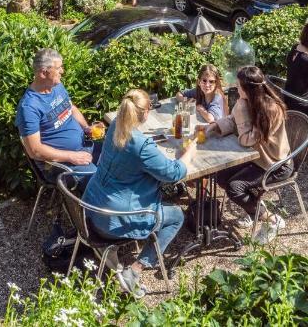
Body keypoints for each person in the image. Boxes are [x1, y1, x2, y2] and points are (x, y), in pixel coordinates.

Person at [83, 88, 196, 299]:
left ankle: (112, 254)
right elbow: (173, 173)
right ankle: (135, 270)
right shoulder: (141, 145)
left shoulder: (116, 124)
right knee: (177, 216)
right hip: (114, 221)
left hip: (92, 207)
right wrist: (189, 153)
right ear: (145, 113)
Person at [203, 65, 291, 244]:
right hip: (257, 158)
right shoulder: (248, 101)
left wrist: (241, 109)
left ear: (248, 88)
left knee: (235, 187)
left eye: (239, 85)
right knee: (221, 175)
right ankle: (254, 209)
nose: (236, 88)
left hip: (275, 164)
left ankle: (272, 220)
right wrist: (214, 127)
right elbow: (233, 120)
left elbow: (247, 139)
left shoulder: (269, 109)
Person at [15, 48, 103, 181]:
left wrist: (86, 128)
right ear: (43, 73)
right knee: (99, 181)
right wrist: (71, 156)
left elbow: (71, 108)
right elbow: (35, 151)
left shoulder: (57, 86)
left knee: (118, 157)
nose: (62, 71)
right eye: (58, 68)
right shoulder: (29, 107)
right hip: (59, 164)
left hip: (84, 147)